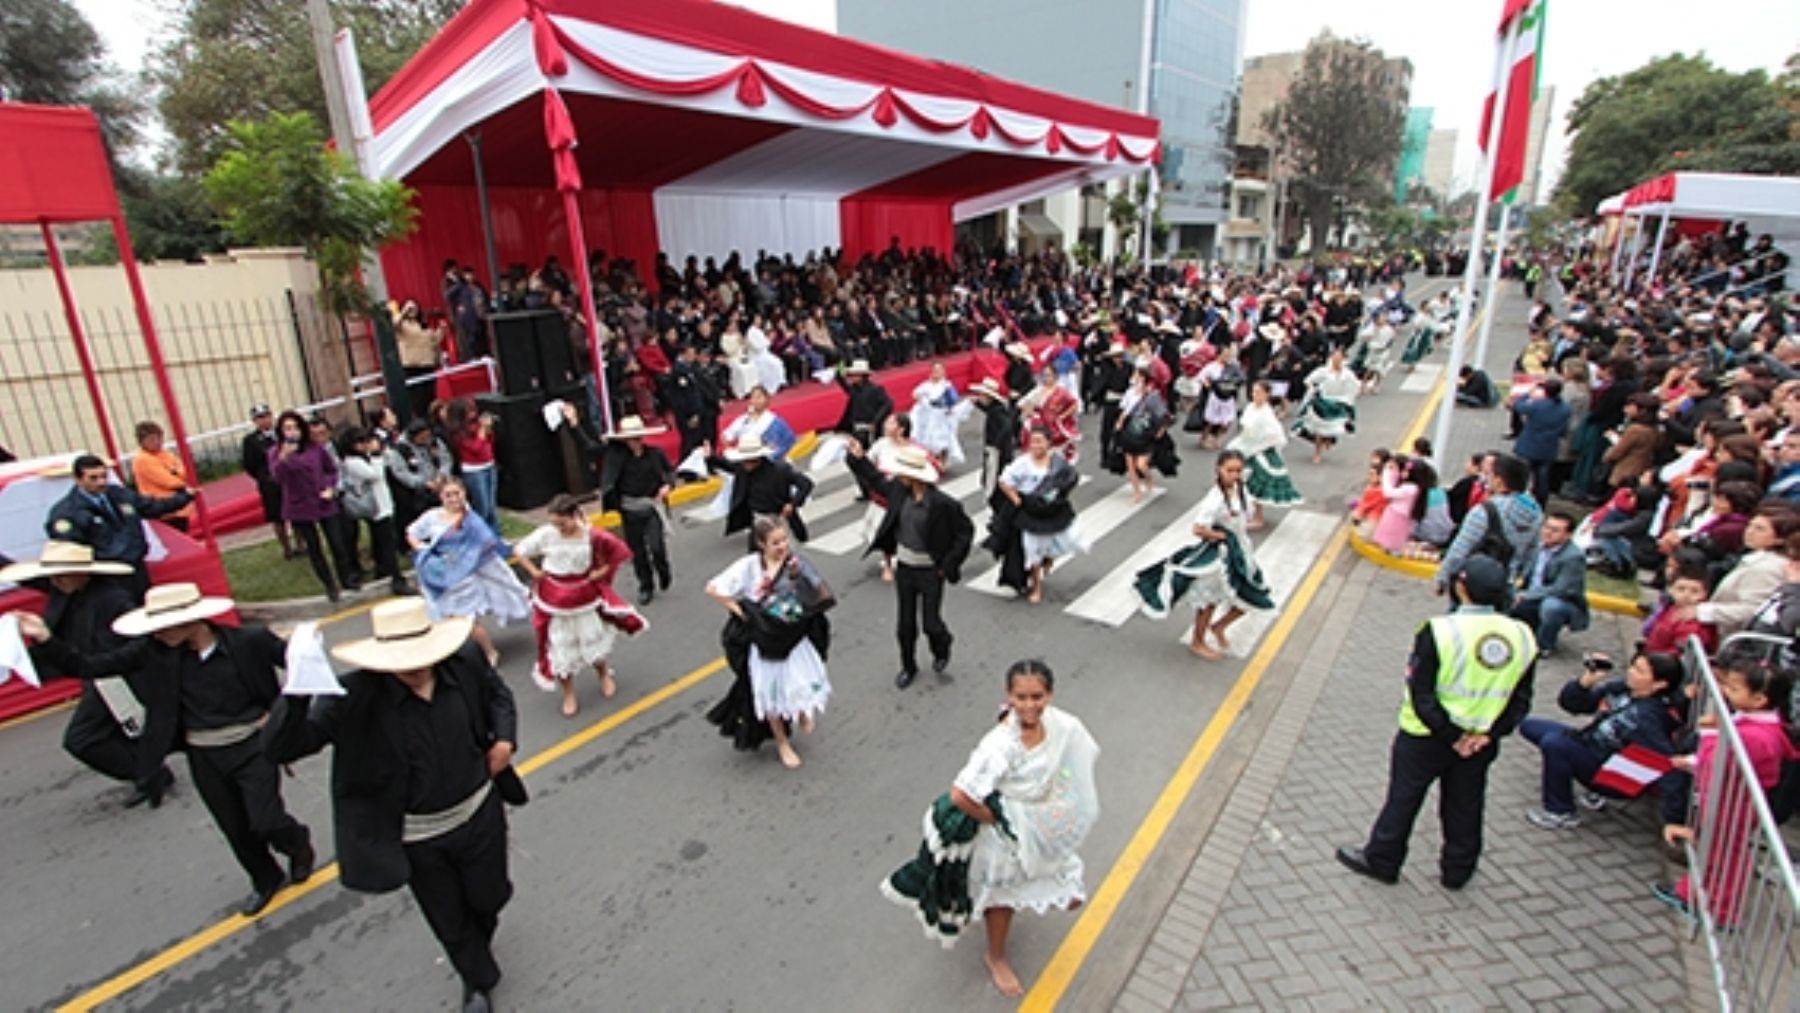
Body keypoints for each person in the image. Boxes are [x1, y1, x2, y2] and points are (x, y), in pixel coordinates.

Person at [265, 598, 523, 1013]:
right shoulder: (351, 697)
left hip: (478, 814)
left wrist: (505, 740)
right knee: (448, 916)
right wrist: (297, 690)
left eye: (420, 657)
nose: (414, 668)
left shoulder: (466, 661)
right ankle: (477, 979)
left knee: (489, 897)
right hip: (417, 836)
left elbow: (498, 697)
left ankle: (478, 941)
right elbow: (283, 747)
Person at [16, 582, 315, 917]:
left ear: (194, 621)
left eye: (163, 627)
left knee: (266, 820)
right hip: (204, 753)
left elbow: (304, 670)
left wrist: (282, 718)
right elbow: (89, 666)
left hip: (253, 746)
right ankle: (265, 879)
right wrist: (44, 638)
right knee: (234, 826)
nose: (157, 634)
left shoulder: (250, 642)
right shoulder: (152, 654)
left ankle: (296, 842)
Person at [879, 660, 1099, 999]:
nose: (1029, 705)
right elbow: (961, 795)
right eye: (1021, 697)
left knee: (1068, 892)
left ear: (1050, 695)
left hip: (1040, 823)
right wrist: (998, 819)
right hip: (1005, 833)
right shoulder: (999, 745)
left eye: (1037, 696)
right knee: (1002, 898)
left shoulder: (1060, 725)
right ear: (1008, 695)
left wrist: (1060, 800)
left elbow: (1072, 759)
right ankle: (995, 956)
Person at [1336, 557, 1537, 889]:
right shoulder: (1522, 635)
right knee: (1466, 804)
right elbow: (1521, 699)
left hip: (1426, 736)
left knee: (1404, 798)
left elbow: (1422, 692)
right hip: (1481, 741)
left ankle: (1383, 859)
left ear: (1461, 587)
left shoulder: (1440, 631)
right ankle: (1458, 869)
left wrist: (1452, 734)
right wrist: (1487, 734)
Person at [4, 542, 170, 807]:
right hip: (94, 673)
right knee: (106, 733)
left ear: (83, 573)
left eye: (62, 574)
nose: (56, 581)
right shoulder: (63, 591)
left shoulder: (112, 599)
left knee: (83, 738)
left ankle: (148, 772)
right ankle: (148, 770)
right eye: (53, 576)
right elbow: (21, 574)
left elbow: (142, 638)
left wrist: (112, 663)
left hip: (114, 676)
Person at [1655, 646, 1800, 926]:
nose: (1725, 693)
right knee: (1714, 848)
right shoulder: (1755, 725)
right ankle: (1694, 893)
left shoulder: (1756, 736)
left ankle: (1721, 910)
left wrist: (1709, 732)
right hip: (1725, 797)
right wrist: (1691, 760)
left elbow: (1718, 758)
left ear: (1759, 699)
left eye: (1733, 688)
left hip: (1731, 803)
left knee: (1725, 855)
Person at [703, 517, 835, 770]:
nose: (782, 546)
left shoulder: (796, 564)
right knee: (770, 692)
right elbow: (713, 588)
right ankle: (782, 742)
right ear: (761, 543)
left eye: (784, 539)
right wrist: (742, 611)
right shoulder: (749, 567)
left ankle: (803, 712)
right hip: (765, 641)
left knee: (802, 680)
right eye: (775, 542)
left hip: (794, 637)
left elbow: (820, 592)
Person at [846, 442, 974, 689]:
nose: (897, 476)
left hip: (930, 569)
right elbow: (874, 479)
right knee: (905, 624)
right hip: (904, 566)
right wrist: (858, 459)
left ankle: (942, 645)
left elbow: (964, 533)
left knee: (931, 623)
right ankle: (908, 666)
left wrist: (948, 564)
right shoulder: (897, 491)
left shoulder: (943, 504)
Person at [513, 495, 646, 717]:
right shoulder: (547, 534)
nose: (558, 528)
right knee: (560, 647)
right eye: (555, 523)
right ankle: (568, 692)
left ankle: (603, 674)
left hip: (583, 597)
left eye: (562, 523)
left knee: (591, 639)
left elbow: (618, 554)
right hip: (554, 599)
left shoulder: (592, 536)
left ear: (575, 516)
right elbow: (519, 550)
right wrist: (534, 572)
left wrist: (600, 572)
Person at [1133, 450, 1274, 660]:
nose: (1234, 474)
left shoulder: (1240, 487)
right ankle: (1197, 641)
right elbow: (1198, 528)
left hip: (1241, 550)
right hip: (1221, 554)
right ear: (1219, 469)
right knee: (1210, 601)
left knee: (1251, 595)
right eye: (1230, 470)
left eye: (1238, 470)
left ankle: (1218, 627)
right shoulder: (1215, 498)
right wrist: (1220, 535)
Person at [1520, 651, 1681, 831]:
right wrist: (1586, 681)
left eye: (1639, 671)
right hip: (1590, 744)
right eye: (1633, 666)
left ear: (1659, 683)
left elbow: (1668, 764)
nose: (1630, 672)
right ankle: (1578, 781)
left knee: (1555, 744)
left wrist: (1673, 819)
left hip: (1610, 774)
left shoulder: (1647, 718)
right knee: (1530, 726)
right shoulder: (1623, 689)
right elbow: (1573, 704)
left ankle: (1560, 812)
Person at [407, 478, 530, 667]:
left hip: (464, 580)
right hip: (438, 577)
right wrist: (423, 550)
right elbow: (412, 532)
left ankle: (490, 652)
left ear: (464, 494)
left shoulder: (471, 521)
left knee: (467, 619)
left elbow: (487, 546)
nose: (453, 498)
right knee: (444, 618)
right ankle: (456, 655)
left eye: (457, 493)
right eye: (448, 495)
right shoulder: (432, 517)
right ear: (440, 497)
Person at [45, 452, 192, 584]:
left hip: (136, 566)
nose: (101, 482)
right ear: (77, 479)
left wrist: (184, 497)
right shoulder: (67, 512)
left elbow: (150, 507)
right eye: (93, 478)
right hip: (105, 577)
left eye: (104, 476)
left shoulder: (118, 494)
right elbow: (70, 549)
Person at [575, 412, 675, 606]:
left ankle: (663, 570)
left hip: (652, 507)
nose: (634, 442)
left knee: (657, 547)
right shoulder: (616, 456)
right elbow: (589, 447)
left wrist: (668, 486)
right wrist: (575, 425)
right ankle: (645, 585)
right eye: (630, 439)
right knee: (637, 551)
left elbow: (669, 471)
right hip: (629, 509)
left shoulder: (655, 454)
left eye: (637, 438)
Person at [269, 409, 358, 602]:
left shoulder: (315, 448)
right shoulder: (276, 453)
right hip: (299, 505)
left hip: (323, 500)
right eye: (287, 428)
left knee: (337, 542)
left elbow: (330, 470)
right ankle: (329, 585)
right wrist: (284, 458)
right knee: (314, 548)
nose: (292, 432)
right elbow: (277, 478)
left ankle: (347, 578)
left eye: (295, 427)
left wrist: (331, 488)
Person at [988, 426, 1085, 604]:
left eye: (1040, 441)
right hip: (1030, 512)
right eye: (1033, 442)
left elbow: (1069, 480)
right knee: (1033, 549)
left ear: (1049, 443)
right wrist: (1017, 500)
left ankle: (1048, 561)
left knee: (1059, 542)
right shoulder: (1022, 463)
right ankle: (1036, 587)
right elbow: (1004, 481)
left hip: (1051, 510)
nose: (1036, 446)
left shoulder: (1057, 462)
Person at [1435, 454, 1542, 597]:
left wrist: (1443, 578)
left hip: (1473, 582)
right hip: (1506, 583)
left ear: (1499, 481)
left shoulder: (1484, 511)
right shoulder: (1535, 512)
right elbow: (1533, 552)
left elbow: (1460, 549)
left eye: (1490, 475)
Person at [708, 434, 814, 552]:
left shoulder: (780, 470)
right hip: (758, 520)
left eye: (749, 460)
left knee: (786, 557)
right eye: (744, 460)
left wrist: (793, 504)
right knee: (755, 559)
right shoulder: (743, 469)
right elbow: (727, 465)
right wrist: (711, 456)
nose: (745, 464)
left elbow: (806, 484)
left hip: (780, 519)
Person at [339, 428, 409, 596]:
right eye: (359, 442)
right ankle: (396, 579)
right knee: (387, 544)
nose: (364, 445)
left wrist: (381, 451)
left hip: (384, 503)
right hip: (375, 508)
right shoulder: (352, 462)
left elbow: (389, 461)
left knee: (382, 541)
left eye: (365, 441)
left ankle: (383, 570)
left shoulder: (367, 458)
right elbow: (375, 474)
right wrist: (376, 455)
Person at [1509, 512, 1590, 656]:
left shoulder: (1573, 557)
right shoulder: (1537, 547)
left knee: (1551, 607)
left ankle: (1544, 646)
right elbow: (1519, 567)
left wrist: (1526, 595)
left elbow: (1561, 589)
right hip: (1531, 595)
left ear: (1568, 535)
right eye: (1546, 527)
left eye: (1555, 530)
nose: (1548, 533)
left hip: (1562, 601)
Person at [1228, 381, 1302, 529]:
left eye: (1259, 392)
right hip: (1246, 446)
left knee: (1257, 485)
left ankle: (1258, 517)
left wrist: (1258, 448)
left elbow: (1277, 436)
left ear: (1267, 395)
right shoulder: (1251, 407)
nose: (1255, 395)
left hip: (1261, 452)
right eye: (1254, 392)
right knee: (1242, 482)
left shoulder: (1267, 414)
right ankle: (1246, 511)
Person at [241, 404, 295, 558]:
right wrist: (264, 477)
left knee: (296, 512)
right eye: (259, 418)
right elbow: (249, 464)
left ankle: (301, 542)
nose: (264, 420)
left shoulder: (284, 434)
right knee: (277, 516)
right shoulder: (251, 441)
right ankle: (286, 547)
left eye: (266, 416)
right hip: (269, 483)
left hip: (289, 479)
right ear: (254, 421)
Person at [834, 359, 894, 499]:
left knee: (866, 460)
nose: (852, 377)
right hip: (857, 430)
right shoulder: (853, 390)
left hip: (870, 430)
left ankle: (877, 487)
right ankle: (866, 488)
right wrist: (839, 362)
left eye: (854, 374)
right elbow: (840, 378)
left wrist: (876, 421)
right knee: (854, 460)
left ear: (862, 375)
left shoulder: (876, 389)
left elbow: (888, 404)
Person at [387, 419, 455, 535]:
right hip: (415, 493)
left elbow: (446, 459)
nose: (426, 440)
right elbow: (401, 473)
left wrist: (442, 475)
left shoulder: (434, 442)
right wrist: (423, 483)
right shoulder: (400, 450)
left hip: (438, 485)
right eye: (422, 438)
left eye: (428, 436)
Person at [1292, 348, 1360, 463]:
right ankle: (1317, 452)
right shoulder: (1323, 371)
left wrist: (1347, 401)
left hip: (1338, 403)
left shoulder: (1347, 375)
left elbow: (1354, 387)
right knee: (1319, 429)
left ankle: (1329, 439)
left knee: (1333, 427)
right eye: (1334, 357)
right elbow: (1308, 381)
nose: (1336, 360)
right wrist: (1314, 390)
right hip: (1323, 402)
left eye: (1339, 357)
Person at [1114, 365, 1171, 504]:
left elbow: (1165, 416)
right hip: (1129, 432)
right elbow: (1125, 410)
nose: (1135, 380)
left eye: (1138, 377)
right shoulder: (1130, 393)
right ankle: (1137, 492)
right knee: (1130, 465)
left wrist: (1161, 431)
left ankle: (1148, 478)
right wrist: (1119, 422)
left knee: (1141, 464)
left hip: (1145, 434)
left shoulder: (1153, 396)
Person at [1511, 378, 1571, 506]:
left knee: (1522, 476)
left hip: (1529, 446)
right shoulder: (1565, 408)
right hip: (1548, 448)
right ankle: (1541, 503)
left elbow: (1517, 405)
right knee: (1542, 479)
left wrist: (1528, 393)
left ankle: (1517, 500)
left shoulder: (1537, 405)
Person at [128, 421, 195, 533]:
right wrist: (177, 476)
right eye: (151, 440)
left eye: (159, 438)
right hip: (161, 508)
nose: (157, 442)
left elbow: (184, 471)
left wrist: (177, 475)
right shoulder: (142, 460)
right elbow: (168, 481)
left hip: (178, 507)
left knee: (184, 533)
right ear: (142, 442)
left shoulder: (166, 454)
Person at [1018, 365, 1080, 464]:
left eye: (1049, 375)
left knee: (1056, 451)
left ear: (1055, 377)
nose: (1046, 378)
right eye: (1044, 375)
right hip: (1040, 425)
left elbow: (1074, 404)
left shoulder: (1061, 392)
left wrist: (1062, 416)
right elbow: (1022, 404)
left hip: (1054, 426)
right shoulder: (1038, 390)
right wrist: (1031, 412)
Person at [909, 362, 967, 468]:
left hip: (941, 416)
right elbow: (915, 394)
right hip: (928, 416)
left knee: (942, 439)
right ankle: (932, 460)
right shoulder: (926, 385)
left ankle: (941, 460)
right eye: (934, 370)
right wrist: (922, 400)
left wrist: (949, 408)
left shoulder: (946, 386)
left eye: (939, 370)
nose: (936, 373)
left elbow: (953, 400)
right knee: (927, 439)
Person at [970, 377, 1019, 492]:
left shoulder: (998, 411)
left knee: (993, 480)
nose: (980, 396)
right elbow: (988, 410)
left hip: (999, 452)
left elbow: (1007, 427)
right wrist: (977, 403)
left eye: (981, 395)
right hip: (997, 450)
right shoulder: (994, 408)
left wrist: (996, 445)